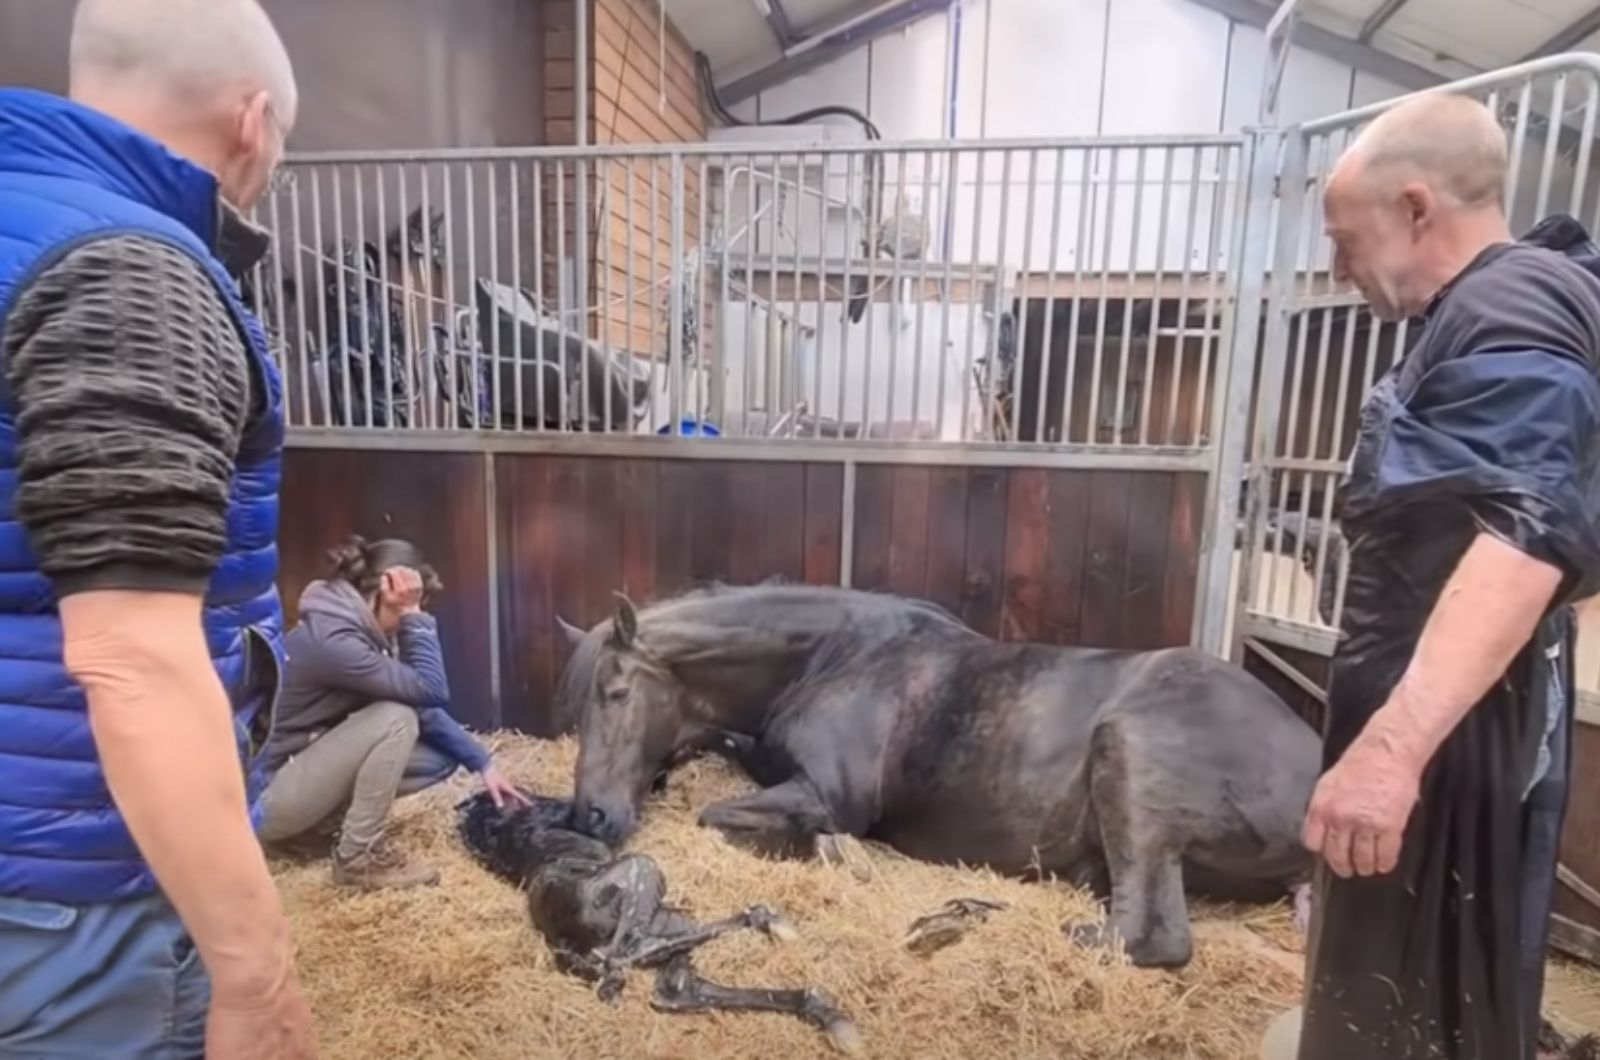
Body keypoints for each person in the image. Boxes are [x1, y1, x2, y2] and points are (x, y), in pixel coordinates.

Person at [0, 0, 316, 1057]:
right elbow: (131, 652)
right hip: (79, 889)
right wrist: (256, 971)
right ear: (254, 121)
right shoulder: (130, 273)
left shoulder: (22, 221)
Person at [1294, 92, 1600, 1060]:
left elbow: (1528, 531)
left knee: (1413, 1000)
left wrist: (1389, 753)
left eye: (1345, 241)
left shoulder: (1505, 305)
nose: (1339, 270)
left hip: (1450, 734)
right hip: (1457, 713)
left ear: (1417, 207)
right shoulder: (1498, 307)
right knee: (1416, 982)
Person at [258, 536, 529, 890]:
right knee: (396, 720)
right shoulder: (336, 642)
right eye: (406, 609)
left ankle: (316, 831)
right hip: (266, 802)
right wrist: (413, 615)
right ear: (385, 593)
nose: (404, 624)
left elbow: (426, 709)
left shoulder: (355, 631)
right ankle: (357, 857)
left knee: (439, 757)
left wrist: (483, 764)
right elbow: (430, 690)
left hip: (294, 779)